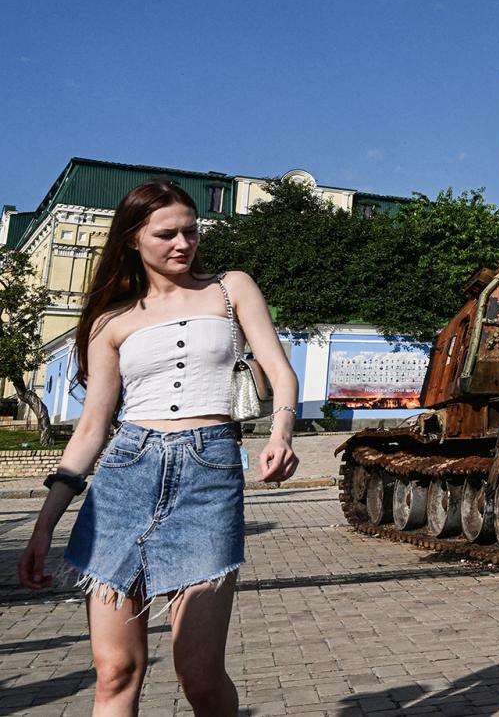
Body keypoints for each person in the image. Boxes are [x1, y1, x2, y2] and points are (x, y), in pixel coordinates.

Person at [18, 181, 300, 716]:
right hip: (124, 478)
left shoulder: (230, 288)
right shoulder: (110, 321)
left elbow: (281, 373)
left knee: (199, 678)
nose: (182, 243)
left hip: (208, 475)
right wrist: (43, 526)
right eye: (166, 233)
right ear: (132, 239)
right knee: (116, 672)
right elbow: (91, 429)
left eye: (191, 231)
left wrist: (281, 434)